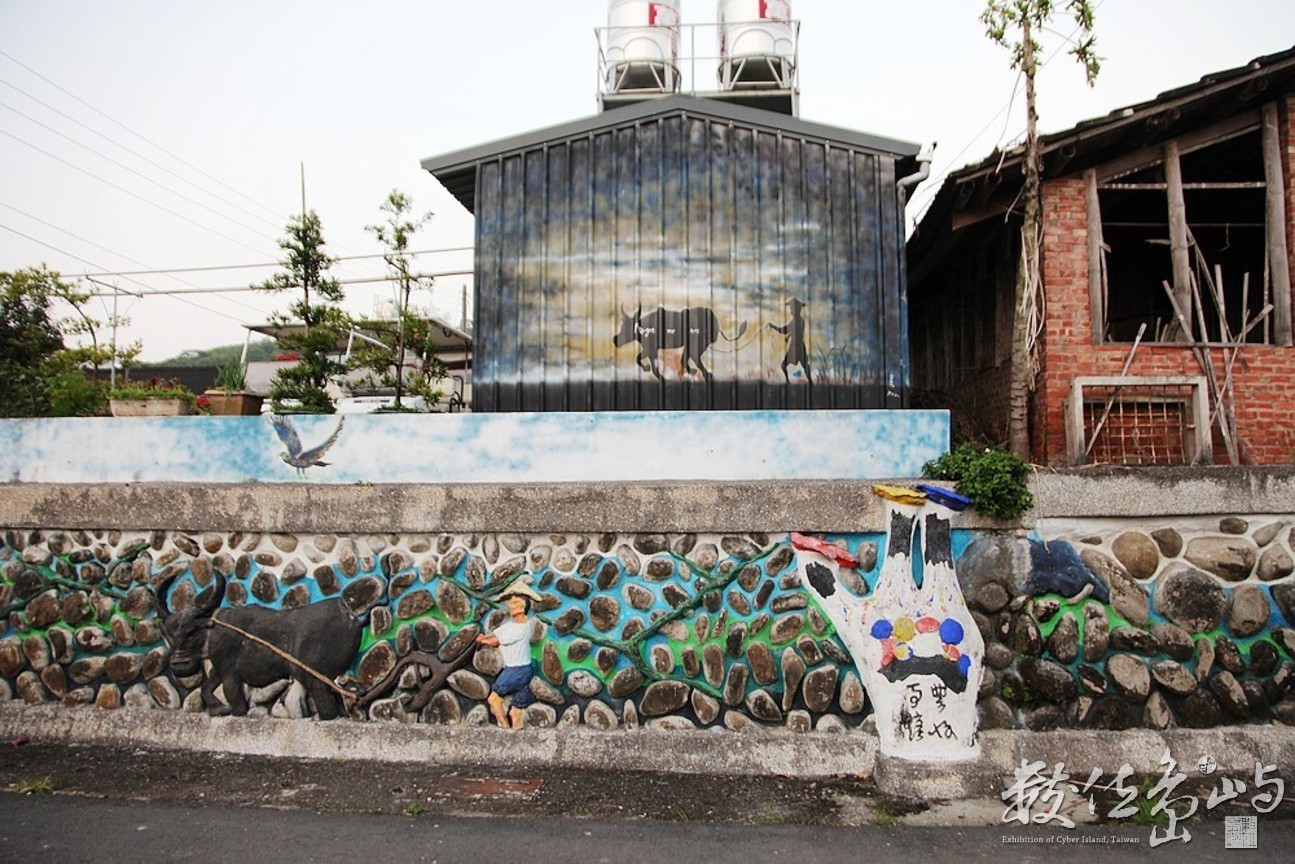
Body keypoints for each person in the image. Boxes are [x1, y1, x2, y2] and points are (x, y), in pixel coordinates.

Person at [475, 577, 542, 730]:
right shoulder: (512, 625)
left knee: (494, 699)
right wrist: (484, 637)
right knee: (516, 709)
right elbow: (495, 634)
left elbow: (496, 641)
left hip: (516, 670)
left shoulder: (522, 628)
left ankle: (503, 726)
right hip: (521, 670)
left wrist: (484, 641)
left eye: (516, 603)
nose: (511, 605)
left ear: (523, 606)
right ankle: (517, 726)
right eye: (511, 603)